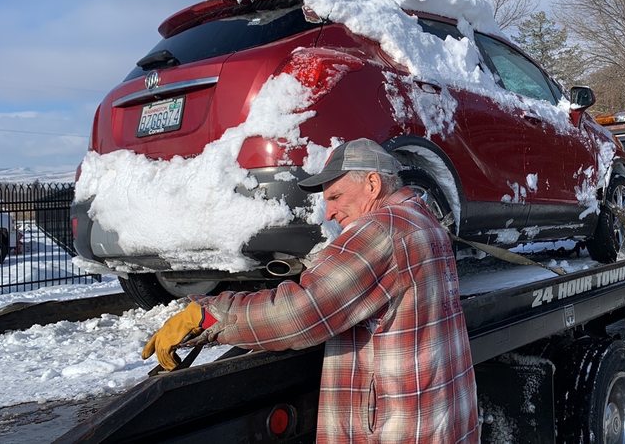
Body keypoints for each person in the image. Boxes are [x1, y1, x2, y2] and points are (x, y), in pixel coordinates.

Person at [142, 138, 479, 443]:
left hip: (398, 429)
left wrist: (211, 314)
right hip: (436, 418)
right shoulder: (423, 221)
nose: (329, 212)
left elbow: (300, 312)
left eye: (335, 196)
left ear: (373, 184)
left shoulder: (381, 229)